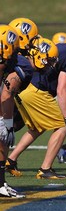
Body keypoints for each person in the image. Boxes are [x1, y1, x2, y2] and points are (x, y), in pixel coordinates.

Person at [6, 30, 66, 179]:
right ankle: (45, 169)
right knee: (61, 127)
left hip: (26, 88)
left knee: (37, 127)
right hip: (37, 90)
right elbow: (62, 89)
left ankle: (10, 160)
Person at [0, 24, 34, 198]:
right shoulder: (19, 64)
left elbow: (6, 93)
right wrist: (7, 124)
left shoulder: (15, 63)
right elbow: (6, 94)